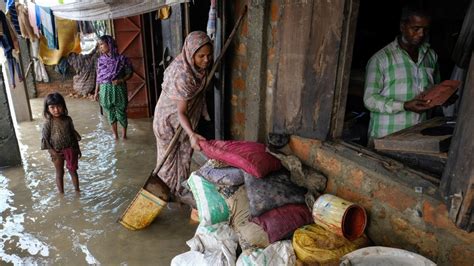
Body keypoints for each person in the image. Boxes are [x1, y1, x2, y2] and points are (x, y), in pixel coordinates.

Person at [363, 5, 440, 143]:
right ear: (403, 26)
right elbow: (370, 99)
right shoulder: (381, 59)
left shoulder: (431, 55)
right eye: (415, 28)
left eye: (425, 29)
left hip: (419, 135)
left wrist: (443, 97)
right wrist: (404, 105)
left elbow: (435, 88)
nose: (421, 34)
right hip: (387, 137)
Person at [153, 31, 213, 205]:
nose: (206, 60)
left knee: (185, 158)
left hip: (186, 122)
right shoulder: (182, 74)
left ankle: (180, 193)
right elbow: (180, 112)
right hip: (168, 123)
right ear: (190, 53)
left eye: (209, 55)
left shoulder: (199, 69)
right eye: (201, 56)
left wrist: (190, 134)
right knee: (168, 164)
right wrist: (193, 134)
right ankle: (164, 198)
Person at [41, 92, 82, 193]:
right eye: (52, 107)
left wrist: (78, 149)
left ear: (63, 106)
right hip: (56, 152)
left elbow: (73, 135)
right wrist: (53, 152)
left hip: (71, 149)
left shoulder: (68, 120)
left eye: (59, 106)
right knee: (59, 173)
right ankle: (61, 194)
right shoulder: (48, 122)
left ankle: (77, 191)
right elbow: (45, 140)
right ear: (47, 109)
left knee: (73, 171)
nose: (56, 110)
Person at [94, 35, 133, 140]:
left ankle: (124, 136)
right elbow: (99, 77)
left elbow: (130, 73)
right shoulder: (100, 60)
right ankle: (115, 136)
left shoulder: (122, 59)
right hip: (105, 89)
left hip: (119, 88)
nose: (100, 47)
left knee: (121, 111)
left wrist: (121, 80)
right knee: (110, 112)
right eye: (99, 45)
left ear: (109, 44)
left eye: (102, 44)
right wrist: (96, 92)